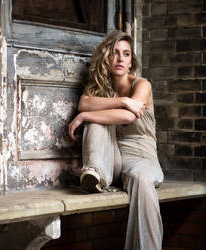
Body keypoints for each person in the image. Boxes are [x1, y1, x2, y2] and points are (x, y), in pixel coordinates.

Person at [68, 30, 164, 250]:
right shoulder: (101, 89)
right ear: (107, 58)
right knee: (95, 121)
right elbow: (84, 103)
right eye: (115, 53)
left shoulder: (142, 85)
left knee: (140, 177)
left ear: (131, 61)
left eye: (126, 54)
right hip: (114, 161)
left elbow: (127, 116)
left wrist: (85, 115)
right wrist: (122, 101)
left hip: (142, 160)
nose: (120, 59)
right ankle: (94, 173)